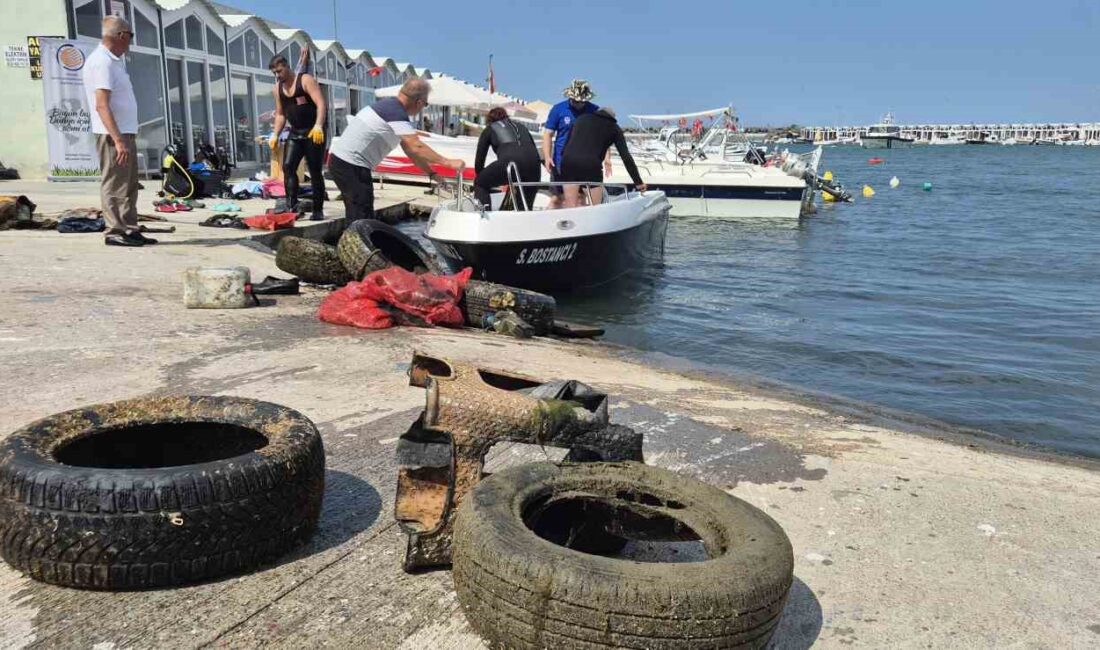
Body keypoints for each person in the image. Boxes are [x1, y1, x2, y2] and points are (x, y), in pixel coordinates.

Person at [329, 79, 465, 222]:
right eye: (425, 104)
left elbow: (411, 151)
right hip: (350, 165)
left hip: (344, 163)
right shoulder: (395, 112)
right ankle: (355, 243)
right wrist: (448, 162)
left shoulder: (391, 107)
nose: (423, 108)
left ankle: (354, 241)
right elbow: (416, 146)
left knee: (359, 211)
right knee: (361, 215)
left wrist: (432, 173)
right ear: (419, 102)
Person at [82, 17, 153, 247]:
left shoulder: (114, 61)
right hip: (113, 135)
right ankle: (114, 230)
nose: (131, 42)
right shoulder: (101, 62)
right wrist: (118, 140)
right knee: (114, 183)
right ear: (121, 35)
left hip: (124, 132)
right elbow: (102, 104)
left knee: (129, 184)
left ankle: (130, 228)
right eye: (130, 36)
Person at [269, 54, 326, 220]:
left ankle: (318, 210)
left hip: (313, 131)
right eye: (275, 73)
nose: (278, 75)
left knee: (315, 171)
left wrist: (319, 125)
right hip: (295, 132)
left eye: (279, 71)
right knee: (288, 167)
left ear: (287, 66)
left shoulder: (305, 80)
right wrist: (275, 134)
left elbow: (321, 103)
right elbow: (280, 114)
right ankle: (291, 206)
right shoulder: (277, 89)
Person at [559, 107, 646, 208]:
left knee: (571, 206)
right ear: (613, 118)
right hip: (590, 166)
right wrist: (638, 182)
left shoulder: (581, 119)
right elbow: (626, 157)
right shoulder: (614, 128)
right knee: (595, 207)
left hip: (568, 162)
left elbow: (565, 146)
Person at [541, 80, 608, 209]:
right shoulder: (558, 109)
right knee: (557, 198)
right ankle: (546, 224)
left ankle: (580, 227)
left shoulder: (594, 111)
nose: (578, 104)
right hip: (561, 162)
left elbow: (602, 136)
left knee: (581, 198)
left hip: (584, 162)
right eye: (575, 101)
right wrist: (547, 157)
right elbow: (548, 135)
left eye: (581, 101)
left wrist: (606, 158)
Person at [473, 107, 541, 210]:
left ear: (489, 120)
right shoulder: (522, 127)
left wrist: (483, 179)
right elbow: (532, 150)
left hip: (511, 163)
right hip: (534, 166)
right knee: (524, 208)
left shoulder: (490, 128)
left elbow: (479, 161)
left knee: (480, 183)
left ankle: (484, 218)